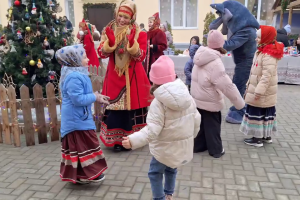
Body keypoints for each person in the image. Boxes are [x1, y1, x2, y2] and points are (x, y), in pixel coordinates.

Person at [122, 56, 201, 200]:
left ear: (154, 80)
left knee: (155, 173)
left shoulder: (158, 103)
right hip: (180, 147)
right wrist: (191, 136)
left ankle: (159, 198)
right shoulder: (187, 95)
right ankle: (169, 194)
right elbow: (196, 119)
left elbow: (152, 130)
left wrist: (133, 140)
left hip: (163, 150)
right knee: (172, 168)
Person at [97, 0, 151, 152]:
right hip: (114, 76)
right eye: (120, 15)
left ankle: (131, 140)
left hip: (132, 77)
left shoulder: (140, 33)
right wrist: (110, 43)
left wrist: (133, 44)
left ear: (132, 17)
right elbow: (100, 53)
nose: (121, 19)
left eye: (125, 17)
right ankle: (115, 140)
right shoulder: (108, 29)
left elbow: (141, 57)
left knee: (130, 110)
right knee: (115, 110)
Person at [56, 44, 110, 184]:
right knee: (83, 145)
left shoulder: (78, 73)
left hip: (81, 117)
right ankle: (86, 174)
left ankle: (82, 174)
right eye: (84, 57)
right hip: (76, 121)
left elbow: (84, 94)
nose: (88, 60)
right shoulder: (73, 77)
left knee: (83, 146)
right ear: (74, 60)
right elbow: (78, 99)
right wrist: (95, 97)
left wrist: (97, 96)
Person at [191, 30, 245, 158]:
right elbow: (227, 86)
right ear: (221, 44)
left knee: (202, 125)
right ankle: (216, 150)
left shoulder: (199, 56)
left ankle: (198, 146)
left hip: (198, 98)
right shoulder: (215, 62)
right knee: (213, 126)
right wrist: (240, 103)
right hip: (210, 100)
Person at [209, 1, 260, 124]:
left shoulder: (246, 30)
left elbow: (230, 45)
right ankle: (239, 108)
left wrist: (213, 42)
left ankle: (240, 111)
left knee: (238, 85)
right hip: (241, 62)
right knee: (237, 85)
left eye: (222, 15)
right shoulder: (241, 29)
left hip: (245, 63)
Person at [241, 25, 283, 147]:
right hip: (265, 91)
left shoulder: (268, 55)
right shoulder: (263, 51)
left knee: (257, 113)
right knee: (265, 113)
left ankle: (257, 139)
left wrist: (258, 91)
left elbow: (266, 76)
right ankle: (266, 136)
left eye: (259, 37)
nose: (256, 39)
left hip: (262, 91)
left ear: (266, 38)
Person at [144, 13, 168, 80]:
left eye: (151, 22)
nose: (149, 24)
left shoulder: (159, 32)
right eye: (148, 22)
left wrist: (154, 46)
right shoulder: (148, 33)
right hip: (148, 58)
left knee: (156, 77)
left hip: (156, 58)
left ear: (155, 23)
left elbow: (164, 46)